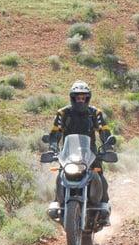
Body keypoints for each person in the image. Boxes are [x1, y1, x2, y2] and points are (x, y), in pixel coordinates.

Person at [48, 80, 113, 225]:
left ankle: (104, 209)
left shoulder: (95, 113)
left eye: (83, 97)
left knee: (100, 177)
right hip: (68, 154)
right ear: (73, 98)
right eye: (78, 97)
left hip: (90, 153)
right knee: (60, 177)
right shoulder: (63, 113)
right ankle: (58, 203)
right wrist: (52, 147)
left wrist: (108, 146)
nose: (80, 99)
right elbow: (55, 133)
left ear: (88, 98)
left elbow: (104, 131)